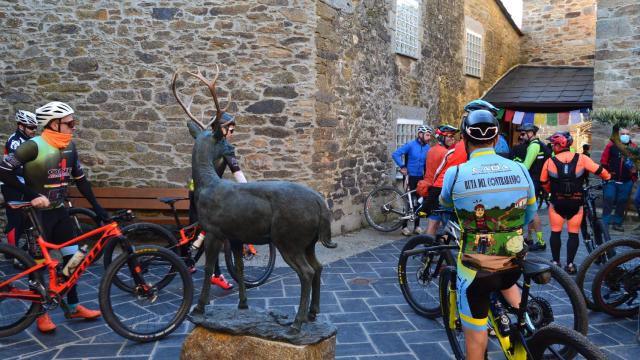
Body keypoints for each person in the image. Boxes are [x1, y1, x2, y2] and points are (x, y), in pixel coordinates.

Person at [0, 101, 106, 333]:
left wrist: (98, 208)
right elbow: (4, 170)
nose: (73, 127)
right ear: (54, 124)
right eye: (70, 123)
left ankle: (73, 306)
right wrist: (32, 195)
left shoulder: (70, 146)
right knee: (37, 266)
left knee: (73, 260)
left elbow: (81, 180)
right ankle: (40, 315)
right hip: (36, 215)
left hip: (59, 211)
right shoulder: (33, 146)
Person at [439, 110, 537, 360]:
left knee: (475, 336)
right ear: (496, 139)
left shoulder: (455, 173)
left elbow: (447, 205)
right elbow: (529, 215)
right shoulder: (520, 169)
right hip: (513, 264)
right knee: (509, 285)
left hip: (475, 271)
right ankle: (528, 325)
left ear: (464, 139)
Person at [187, 112, 248, 290]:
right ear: (223, 129)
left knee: (195, 231)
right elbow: (238, 174)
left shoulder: (205, 141)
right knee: (212, 234)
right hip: (210, 195)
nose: (232, 134)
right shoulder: (224, 148)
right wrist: (251, 191)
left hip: (194, 191)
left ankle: (187, 263)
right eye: (232, 130)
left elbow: (190, 125)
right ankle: (216, 274)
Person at [540, 132, 611, 274]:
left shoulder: (549, 161)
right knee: (573, 234)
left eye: (554, 144)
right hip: (576, 203)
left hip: (557, 203)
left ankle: (555, 262)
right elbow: (602, 172)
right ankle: (571, 265)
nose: (553, 147)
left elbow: (543, 182)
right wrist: (607, 178)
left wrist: (551, 191)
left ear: (559, 145)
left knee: (555, 232)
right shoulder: (582, 158)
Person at [428, 100, 499, 232]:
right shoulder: (452, 150)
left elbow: (438, 171)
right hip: (452, 188)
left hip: (449, 187)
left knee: (439, 220)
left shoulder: (453, 149)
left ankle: (432, 245)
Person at [2, 110, 38, 252]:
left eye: (35, 127)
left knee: (28, 216)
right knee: (15, 218)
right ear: (21, 126)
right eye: (31, 127)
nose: (34, 130)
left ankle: (21, 247)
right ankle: (11, 252)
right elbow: (15, 167)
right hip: (11, 182)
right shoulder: (15, 141)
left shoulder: (29, 141)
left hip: (24, 183)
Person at [392, 125, 432, 235]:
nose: (429, 137)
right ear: (420, 134)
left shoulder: (428, 148)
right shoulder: (410, 145)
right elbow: (395, 154)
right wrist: (402, 166)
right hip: (409, 177)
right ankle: (404, 227)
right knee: (408, 202)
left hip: (420, 178)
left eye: (430, 135)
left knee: (419, 202)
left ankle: (417, 226)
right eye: (427, 135)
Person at [515, 123, 548, 251]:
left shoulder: (533, 146)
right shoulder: (541, 145)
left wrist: (515, 164)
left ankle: (540, 241)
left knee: (532, 212)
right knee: (530, 210)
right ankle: (529, 238)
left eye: (523, 133)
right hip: (538, 181)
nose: (522, 136)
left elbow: (526, 166)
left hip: (532, 181)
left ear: (531, 133)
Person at [422, 124, 458, 235]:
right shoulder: (446, 153)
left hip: (431, 190)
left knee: (433, 221)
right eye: (449, 136)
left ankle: (427, 248)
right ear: (441, 137)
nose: (452, 138)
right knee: (449, 225)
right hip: (441, 190)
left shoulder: (431, 150)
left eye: (453, 136)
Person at [600, 127, 637, 232]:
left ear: (629, 135)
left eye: (627, 134)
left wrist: (633, 178)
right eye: (623, 133)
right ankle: (605, 223)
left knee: (622, 202)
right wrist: (606, 175)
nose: (625, 135)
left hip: (626, 182)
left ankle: (617, 223)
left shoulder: (633, 147)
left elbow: (637, 163)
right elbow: (604, 161)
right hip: (611, 181)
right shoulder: (611, 145)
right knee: (608, 199)